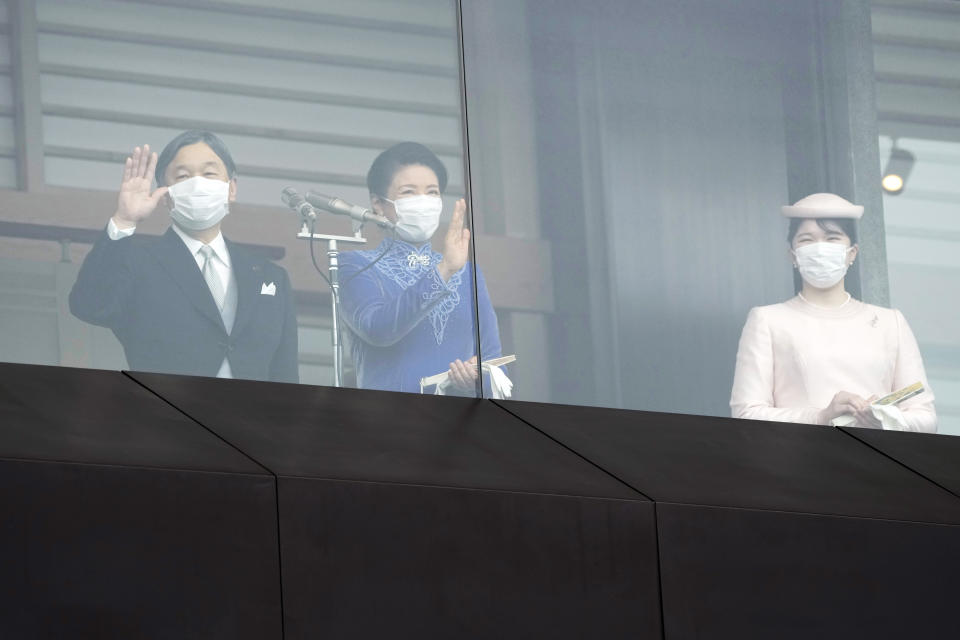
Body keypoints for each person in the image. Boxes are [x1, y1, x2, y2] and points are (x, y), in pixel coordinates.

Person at [69, 130, 299, 383]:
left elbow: (285, 372)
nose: (198, 184)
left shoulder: (270, 276)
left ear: (231, 188)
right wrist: (124, 220)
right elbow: (90, 306)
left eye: (209, 173)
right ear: (165, 195)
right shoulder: (139, 263)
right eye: (183, 176)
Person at [730, 192, 936, 432]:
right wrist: (821, 417)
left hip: (877, 463)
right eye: (807, 240)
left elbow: (925, 416)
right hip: (802, 462)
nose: (820, 248)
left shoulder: (891, 322)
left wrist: (886, 420)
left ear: (852, 253)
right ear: (792, 255)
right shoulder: (768, 320)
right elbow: (746, 413)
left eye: (832, 238)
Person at [339, 142, 503, 394]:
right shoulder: (355, 265)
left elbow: (494, 361)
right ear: (378, 203)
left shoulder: (468, 272)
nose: (423, 202)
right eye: (408, 192)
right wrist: (444, 270)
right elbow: (378, 329)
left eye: (432, 192)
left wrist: (477, 378)